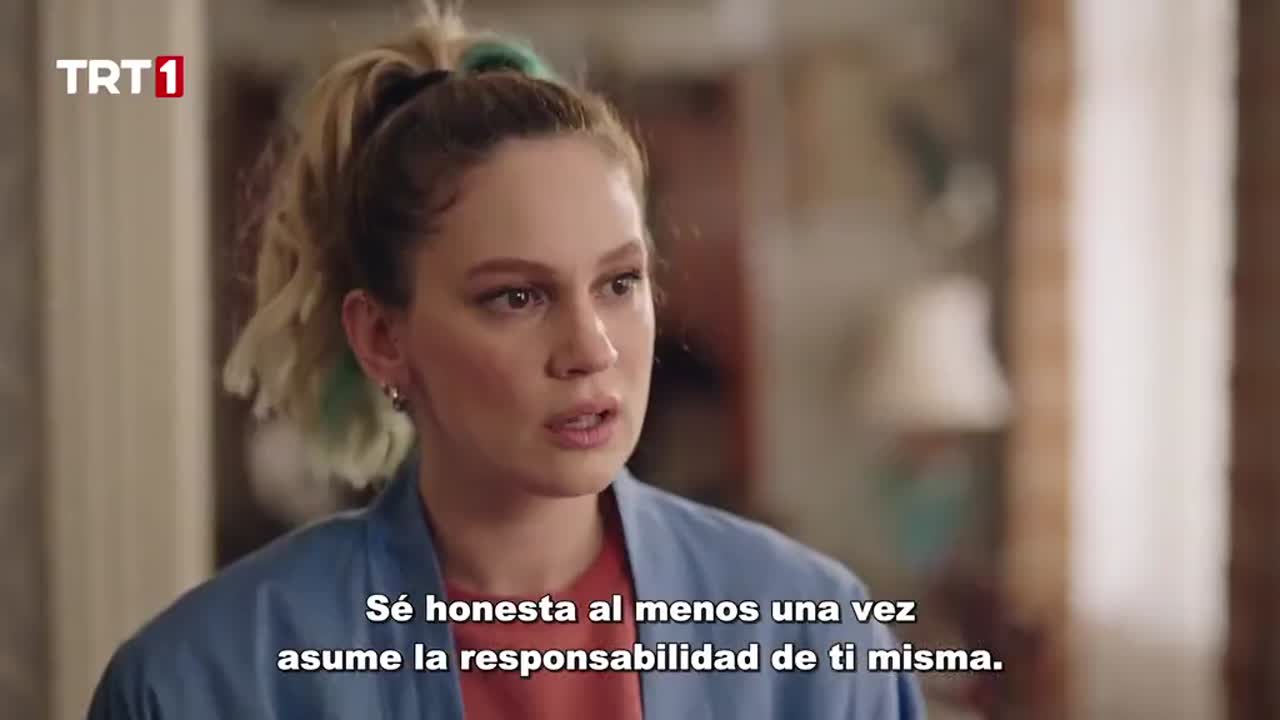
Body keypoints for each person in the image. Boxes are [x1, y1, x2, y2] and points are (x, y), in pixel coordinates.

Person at [87, 4, 925, 718]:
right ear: (382, 339)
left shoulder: (814, 641)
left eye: (620, 283)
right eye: (516, 297)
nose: (591, 349)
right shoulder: (204, 681)